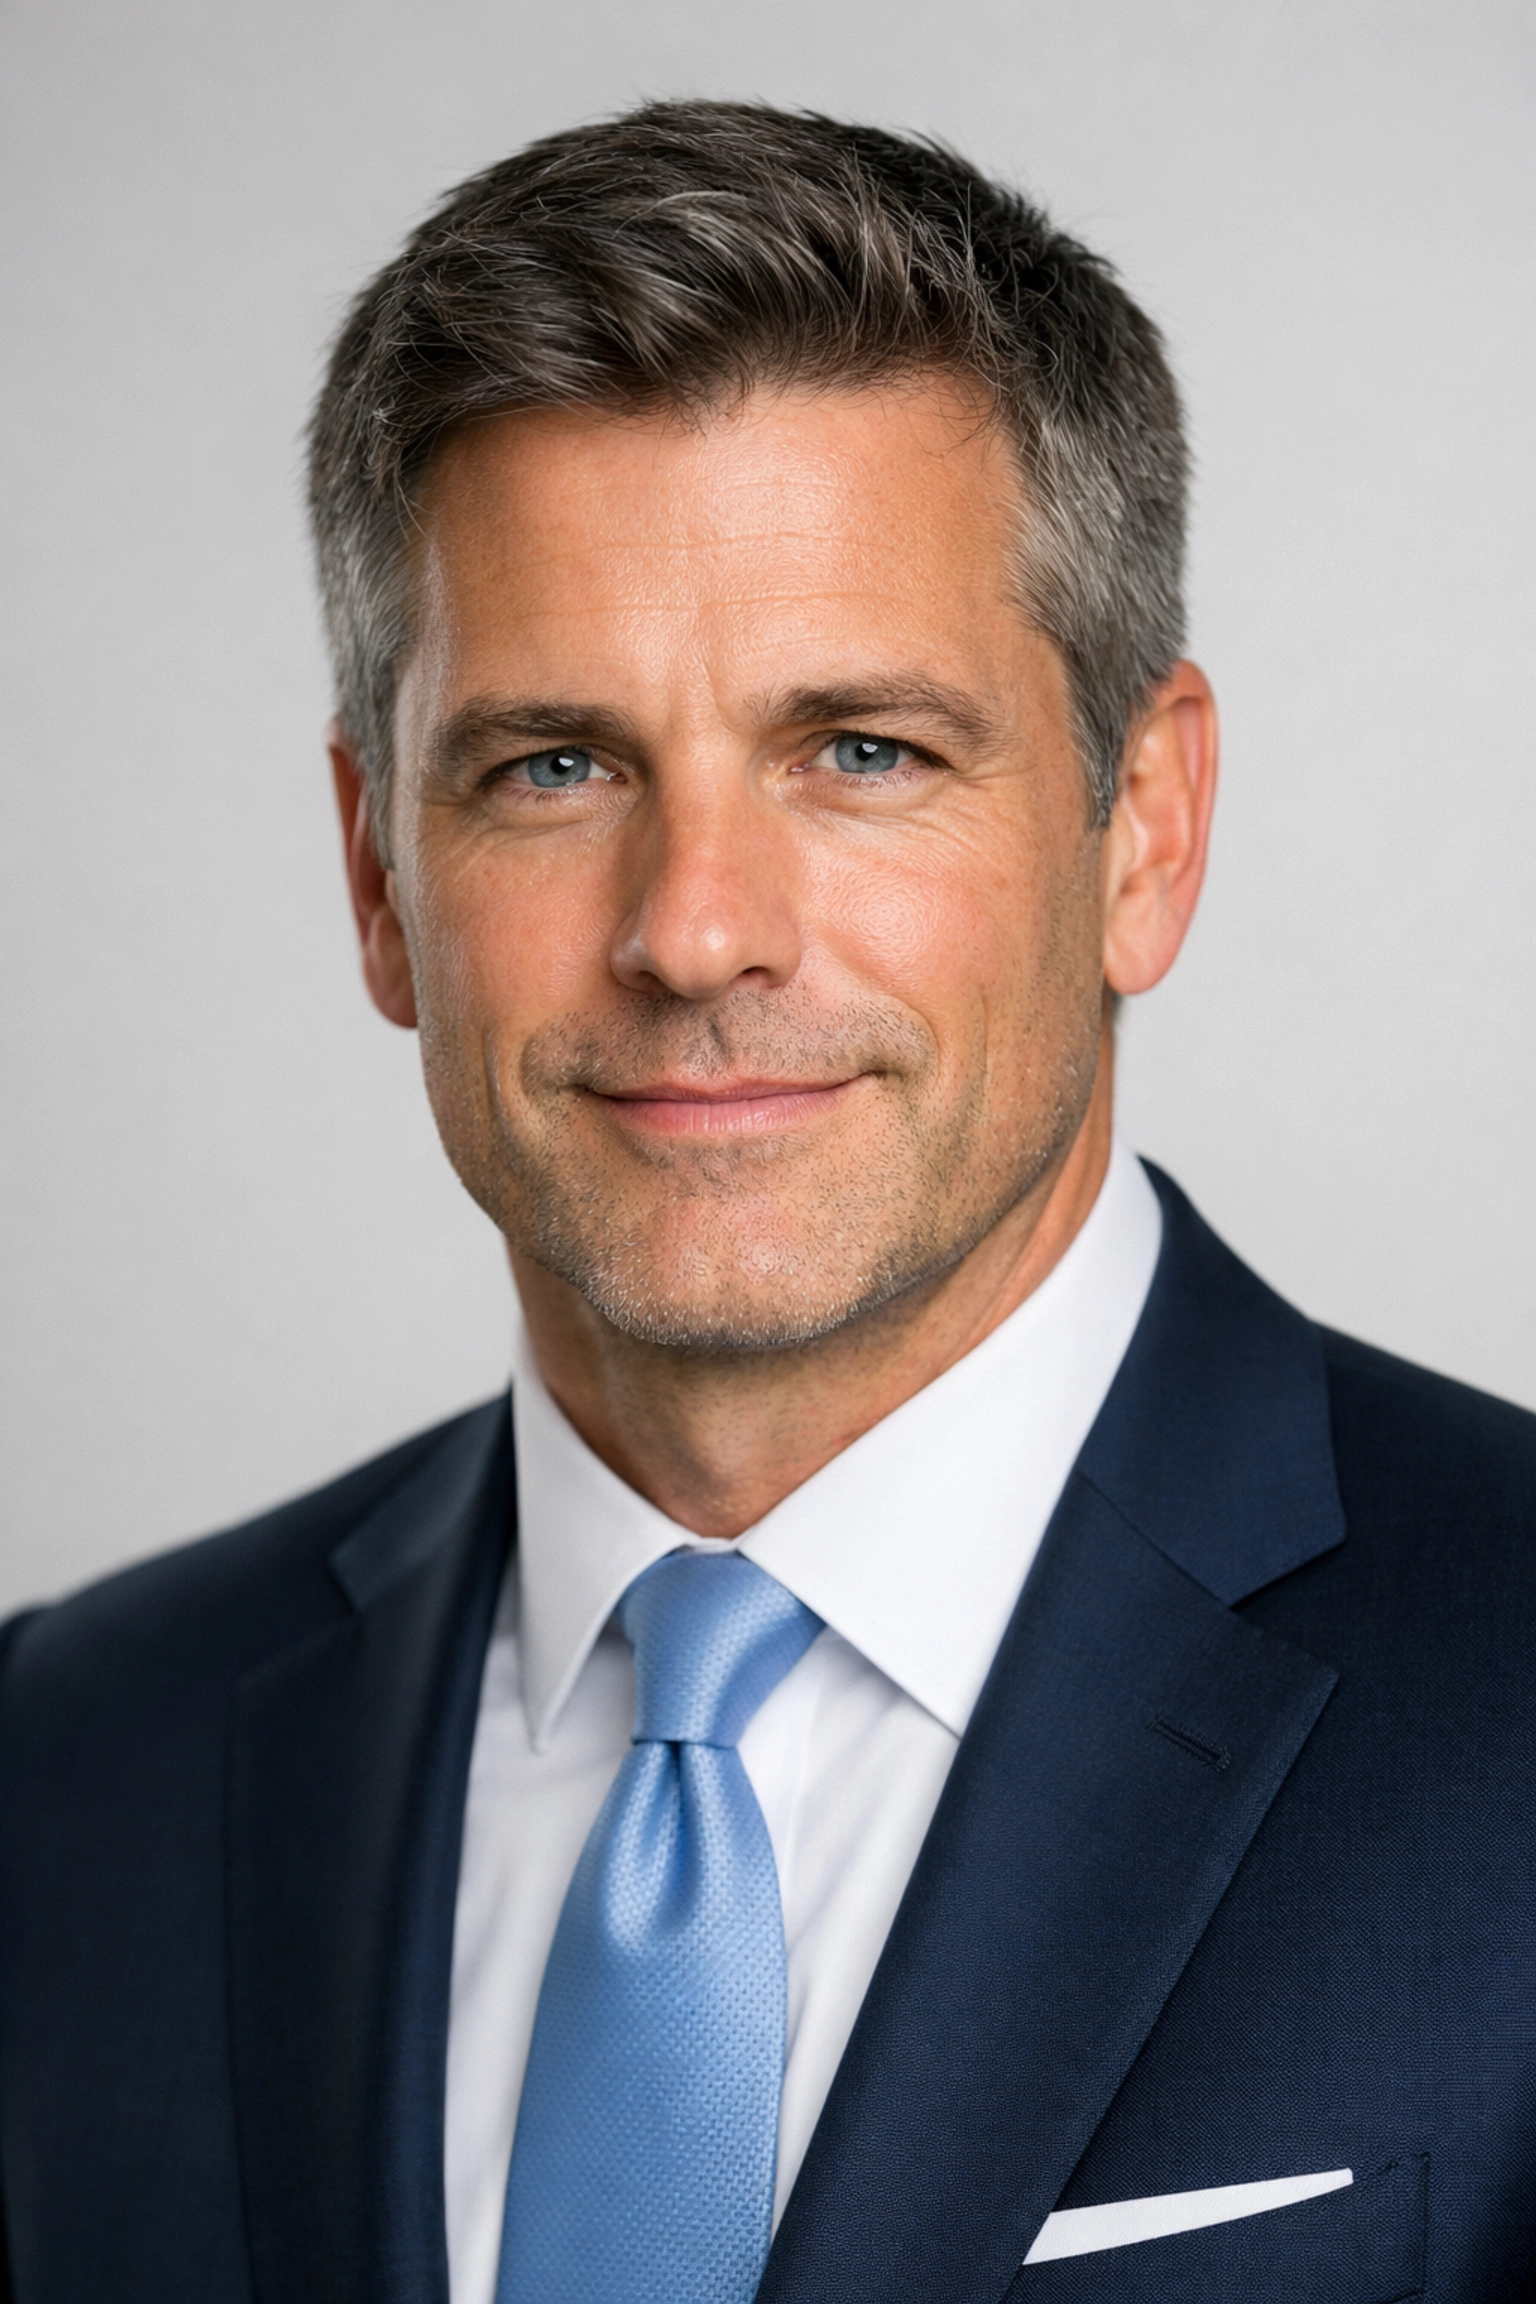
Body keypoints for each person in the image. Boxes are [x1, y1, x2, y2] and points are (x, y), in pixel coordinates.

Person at [1, 97, 1532, 2304]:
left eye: (864, 752)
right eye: (555, 766)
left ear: (1144, 828)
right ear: (377, 877)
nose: (699, 931)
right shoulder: (79, 1759)